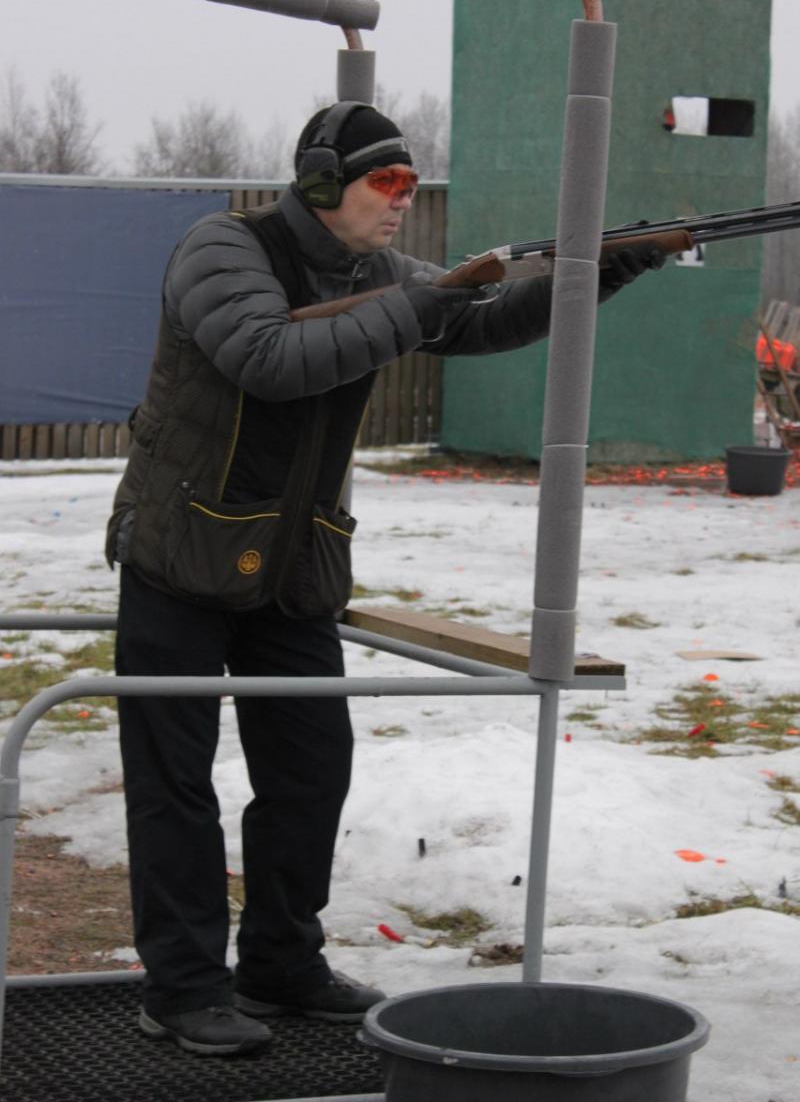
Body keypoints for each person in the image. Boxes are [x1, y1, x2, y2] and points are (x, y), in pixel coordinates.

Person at [106, 101, 662, 1057]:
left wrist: (599, 272)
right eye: (387, 182)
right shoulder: (223, 248)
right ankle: (183, 988)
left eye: (408, 182)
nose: (404, 199)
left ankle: (280, 962)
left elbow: (482, 321)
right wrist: (417, 306)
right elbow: (268, 358)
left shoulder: (379, 274)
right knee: (175, 790)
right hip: (179, 555)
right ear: (324, 183)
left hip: (293, 570)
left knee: (311, 772)